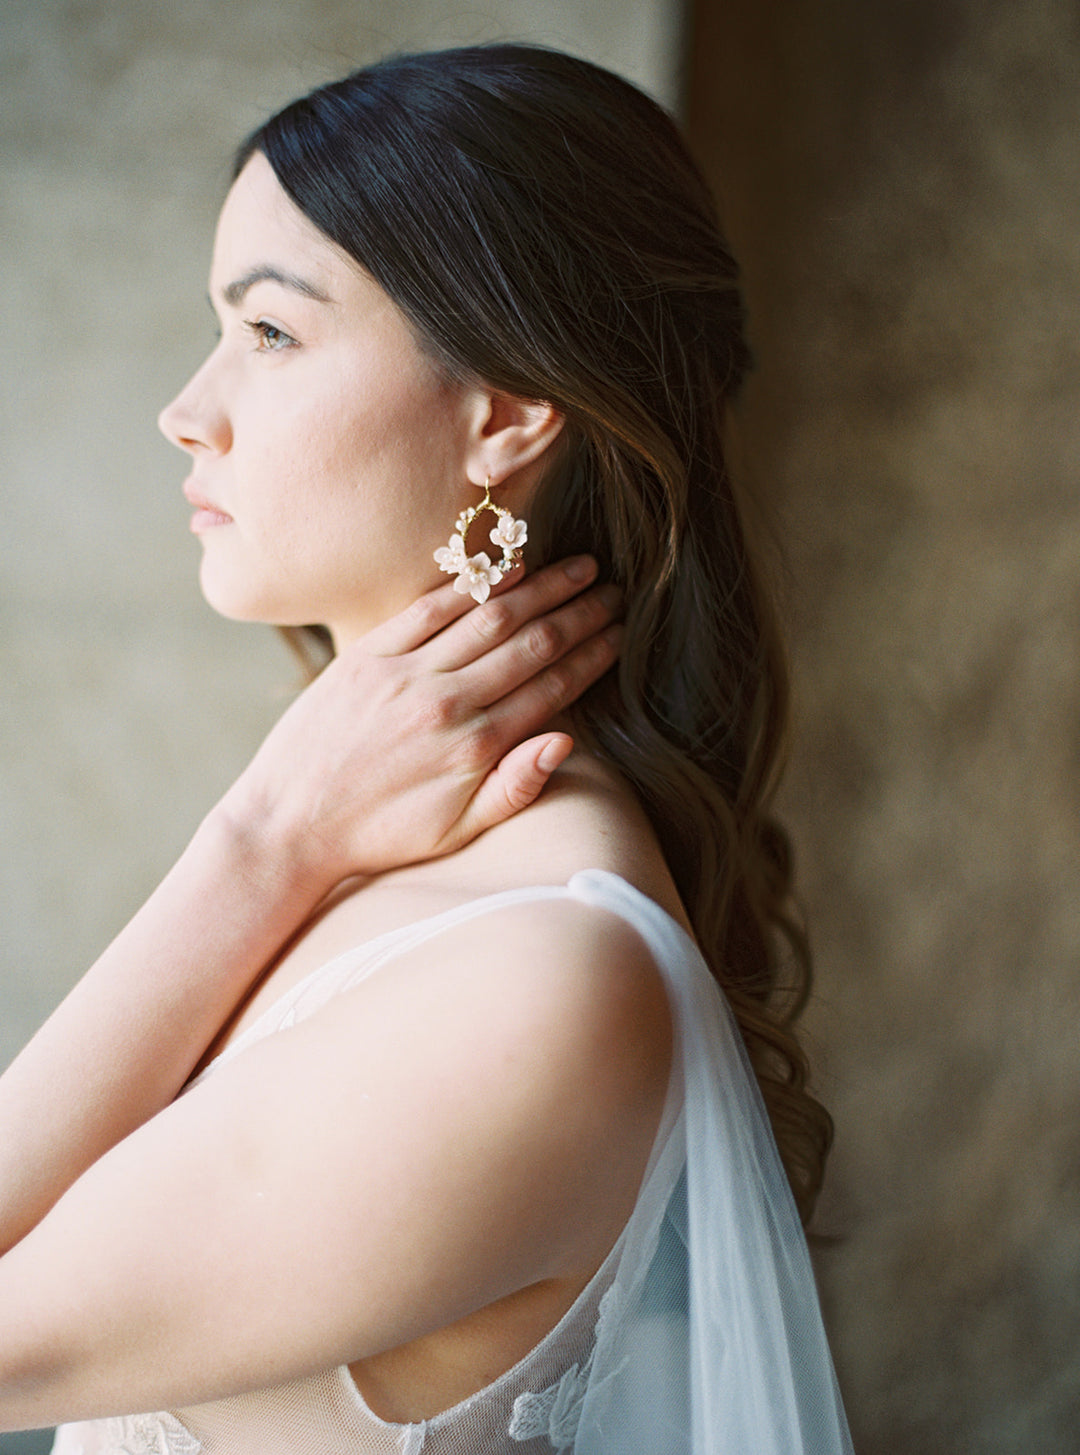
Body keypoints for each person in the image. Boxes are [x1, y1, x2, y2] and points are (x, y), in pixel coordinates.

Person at [0, 43, 853, 1455]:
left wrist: (257, 844)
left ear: (509, 411)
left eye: (268, 334)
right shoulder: (385, 844)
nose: (187, 409)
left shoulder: (538, 973)